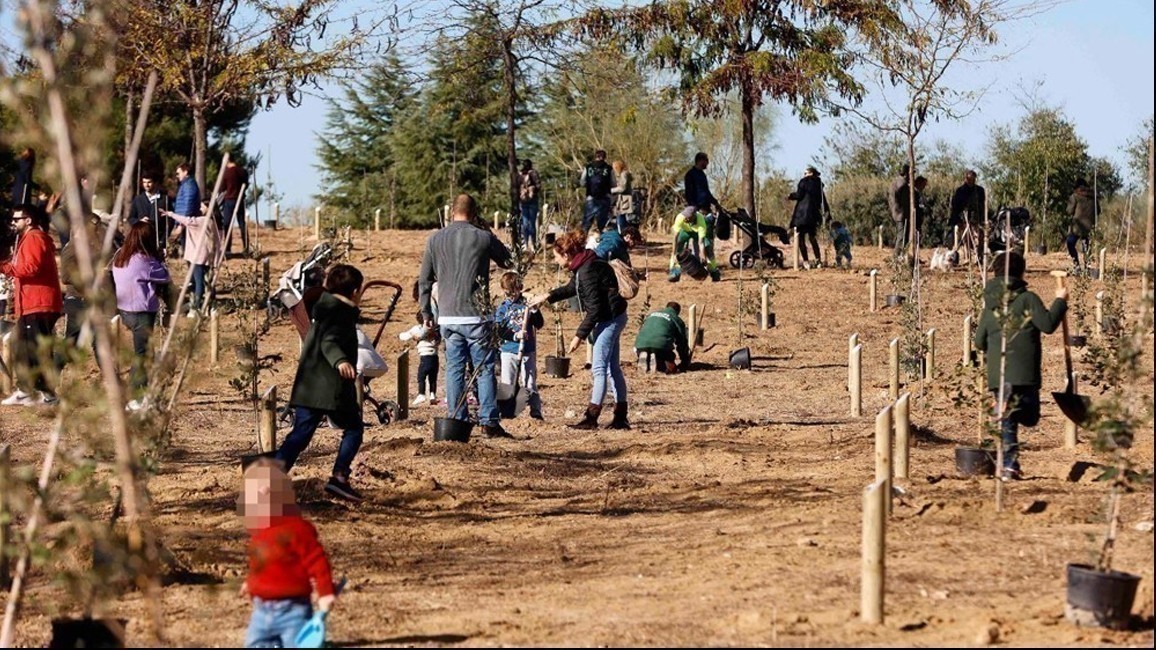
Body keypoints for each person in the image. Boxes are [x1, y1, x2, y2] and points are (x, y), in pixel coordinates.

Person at [417, 193, 514, 439]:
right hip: (476, 316)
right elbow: (508, 260)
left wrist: (427, 311)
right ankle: (489, 420)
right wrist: (488, 231)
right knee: (484, 368)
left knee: (454, 369)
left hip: (448, 316)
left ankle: (457, 418)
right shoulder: (482, 237)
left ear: (452, 213)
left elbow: (425, 279)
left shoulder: (435, 239)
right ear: (474, 213)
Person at [274, 264, 367, 501]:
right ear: (355, 291)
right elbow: (329, 341)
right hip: (330, 387)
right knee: (354, 428)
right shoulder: (340, 312)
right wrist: (340, 361)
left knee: (301, 434)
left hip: (309, 386)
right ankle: (339, 478)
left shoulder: (324, 308)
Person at [973, 251, 1067, 481]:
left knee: (1014, 419)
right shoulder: (1028, 299)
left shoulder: (990, 306)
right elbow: (1047, 324)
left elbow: (978, 342)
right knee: (1025, 416)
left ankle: (1007, 454)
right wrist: (1060, 301)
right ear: (1021, 273)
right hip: (1025, 375)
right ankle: (1008, 464)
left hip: (999, 374)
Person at [529, 230, 629, 430]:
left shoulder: (586, 271)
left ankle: (592, 417)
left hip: (609, 320)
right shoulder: (585, 264)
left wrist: (578, 337)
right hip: (616, 316)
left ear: (566, 255)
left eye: (556, 257)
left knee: (599, 368)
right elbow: (569, 289)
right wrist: (546, 296)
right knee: (613, 368)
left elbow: (594, 310)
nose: (556, 261)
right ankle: (620, 416)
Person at [239, 458, 338, 648]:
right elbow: (260, 564)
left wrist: (325, 592)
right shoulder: (259, 533)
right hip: (262, 610)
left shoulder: (298, 531)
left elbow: (318, 562)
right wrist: (250, 582)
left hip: (293, 609)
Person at [0, 203, 62, 406]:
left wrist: (6, 266)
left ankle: (47, 394)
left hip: (39, 303)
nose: (13, 222)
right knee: (23, 347)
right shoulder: (26, 239)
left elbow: (30, 268)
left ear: (28, 220)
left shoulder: (34, 237)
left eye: (17, 218)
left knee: (37, 350)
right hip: (30, 304)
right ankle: (27, 390)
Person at [111, 221, 170, 410]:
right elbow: (165, 276)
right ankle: (134, 396)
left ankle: (143, 394)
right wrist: (160, 259)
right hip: (142, 312)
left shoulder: (120, 257)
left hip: (125, 310)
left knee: (144, 353)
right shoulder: (146, 261)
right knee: (142, 355)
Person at [163, 163, 216, 317]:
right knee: (194, 270)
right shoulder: (186, 186)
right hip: (186, 226)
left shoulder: (190, 187)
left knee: (196, 269)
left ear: (185, 171)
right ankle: (196, 301)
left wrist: (180, 226)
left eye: (178, 172)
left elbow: (186, 208)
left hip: (188, 228)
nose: (177, 175)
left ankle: (198, 305)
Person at [494, 271, 544, 420]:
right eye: (507, 293)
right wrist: (515, 335)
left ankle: (535, 411)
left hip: (527, 350)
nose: (510, 296)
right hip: (508, 351)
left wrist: (534, 310)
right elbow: (500, 330)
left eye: (513, 293)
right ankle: (506, 412)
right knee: (507, 382)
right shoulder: (503, 308)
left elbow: (539, 324)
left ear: (520, 288)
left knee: (529, 382)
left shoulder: (526, 305)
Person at [788, 165, 830, 268]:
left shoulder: (803, 182)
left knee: (800, 239)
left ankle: (806, 262)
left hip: (801, 216)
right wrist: (827, 214)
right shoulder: (819, 185)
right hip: (813, 215)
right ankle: (818, 260)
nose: (804, 175)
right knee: (812, 238)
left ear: (810, 173)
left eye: (806, 173)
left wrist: (790, 196)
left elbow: (799, 195)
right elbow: (823, 201)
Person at [634, 301, 690, 374]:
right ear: (677, 311)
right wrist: (685, 360)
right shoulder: (676, 318)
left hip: (640, 345)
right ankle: (660, 364)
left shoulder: (651, 315)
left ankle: (646, 360)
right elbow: (681, 342)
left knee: (648, 352)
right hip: (660, 347)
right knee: (670, 363)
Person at [668, 205, 720, 282]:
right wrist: (674, 252)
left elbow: (701, 242)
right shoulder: (680, 217)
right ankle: (675, 273)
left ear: (694, 216)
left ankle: (714, 272)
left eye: (688, 217)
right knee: (678, 249)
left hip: (697, 233)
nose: (686, 218)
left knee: (708, 248)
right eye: (685, 216)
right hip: (685, 231)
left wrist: (703, 256)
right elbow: (675, 237)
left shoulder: (701, 220)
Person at [399, 313, 441, 407]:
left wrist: (403, 335)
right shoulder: (436, 329)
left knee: (421, 376)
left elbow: (404, 337)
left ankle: (421, 394)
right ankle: (432, 395)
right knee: (432, 378)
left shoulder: (417, 329)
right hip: (435, 357)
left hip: (425, 356)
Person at [128, 172, 173, 252]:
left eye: (149, 182)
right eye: (144, 182)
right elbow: (131, 218)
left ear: (155, 183)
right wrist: (139, 221)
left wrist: (163, 241)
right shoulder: (138, 199)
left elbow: (170, 221)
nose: (146, 185)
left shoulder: (165, 200)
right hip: (142, 240)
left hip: (158, 240)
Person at [220, 157, 250, 256]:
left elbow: (222, 187)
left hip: (229, 199)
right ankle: (246, 247)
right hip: (240, 199)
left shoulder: (227, 173)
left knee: (227, 224)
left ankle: (228, 249)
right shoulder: (242, 171)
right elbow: (246, 184)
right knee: (242, 223)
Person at [1065, 178, 1097, 272]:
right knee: (1086, 247)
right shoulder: (1093, 197)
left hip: (1077, 227)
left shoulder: (1075, 196)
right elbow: (1098, 211)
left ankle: (1076, 265)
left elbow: (1069, 211)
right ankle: (1087, 267)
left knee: (1070, 243)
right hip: (1090, 227)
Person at [580, 149, 614, 232]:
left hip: (591, 198)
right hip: (605, 198)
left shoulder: (588, 167)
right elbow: (613, 183)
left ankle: (581, 240)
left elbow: (582, 182)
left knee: (587, 222)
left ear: (595, 157)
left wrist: (588, 186)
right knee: (603, 223)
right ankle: (602, 241)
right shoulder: (609, 168)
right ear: (604, 157)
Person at [949, 169, 985, 244]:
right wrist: (958, 220)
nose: (971, 181)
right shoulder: (960, 191)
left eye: (973, 179)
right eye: (969, 179)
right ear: (965, 179)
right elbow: (955, 207)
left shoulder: (979, 190)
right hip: (962, 220)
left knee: (979, 239)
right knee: (960, 240)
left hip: (976, 220)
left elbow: (982, 206)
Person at [682, 152, 720, 220]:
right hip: (696, 209)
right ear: (700, 161)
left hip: (706, 208)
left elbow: (706, 192)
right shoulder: (690, 174)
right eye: (706, 161)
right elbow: (688, 193)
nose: (707, 163)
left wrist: (715, 202)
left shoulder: (702, 175)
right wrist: (693, 208)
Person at [517, 159, 541, 251]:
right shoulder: (534, 173)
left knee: (525, 223)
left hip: (522, 201)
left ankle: (525, 244)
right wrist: (532, 189)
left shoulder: (520, 174)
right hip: (532, 201)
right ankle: (533, 244)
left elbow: (516, 187)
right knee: (531, 223)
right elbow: (538, 186)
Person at [888, 164, 910, 258]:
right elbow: (906, 202)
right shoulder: (903, 184)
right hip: (901, 213)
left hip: (896, 212)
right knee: (902, 236)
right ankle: (897, 256)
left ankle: (899, 256)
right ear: (906, 174)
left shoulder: (895, 182)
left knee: (901, 235)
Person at [610, 160, 634, 233]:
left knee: (620, 216)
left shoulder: (624, 174)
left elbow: (622, 188)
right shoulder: (623, 174)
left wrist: (611, 190)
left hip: (624, 199)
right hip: (622, 199)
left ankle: (622, 233)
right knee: (621, 216)